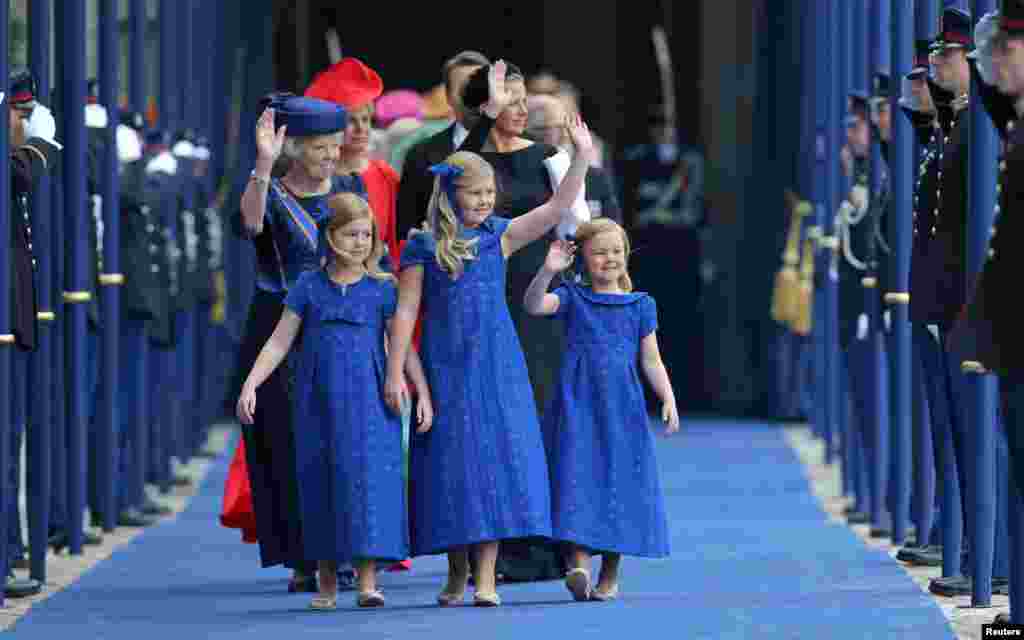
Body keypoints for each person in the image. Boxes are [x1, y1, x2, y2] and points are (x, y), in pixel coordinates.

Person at [384, 109, 597, 607]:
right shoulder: (423, 245)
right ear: (450, 195)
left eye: (488, 194)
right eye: (474, 193)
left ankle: (486, 576)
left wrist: (581, 159)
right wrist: (396, 372)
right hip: (445, 366)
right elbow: (405, 310)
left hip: (496, 364)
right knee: (451, 467)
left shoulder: (497, 235)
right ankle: (457, 571)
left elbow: (556, 208)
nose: (483, 202)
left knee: (495, 463)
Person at [237, 193, 432, 609]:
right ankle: (326, 583)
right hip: (316, 400)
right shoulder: (308, 285)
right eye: (352, 233)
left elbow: (403, 346)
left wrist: (422, 392)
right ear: (330, 236)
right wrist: (251, 383)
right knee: (320, 481)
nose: (361, 242)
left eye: (367, 234)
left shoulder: (383, 287)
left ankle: (367, 582)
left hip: (371, 401)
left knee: (370, 485)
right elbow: (278, 342)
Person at [230, 94, 354, 593]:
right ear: (295, 147)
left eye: (334, 146)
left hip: (340, 329)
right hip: (280, 328)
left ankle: (344, 548)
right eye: (320, 147)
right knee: (289, 445)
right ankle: (304, 555)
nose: (330, 155)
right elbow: (250, 224)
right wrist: (262, 161)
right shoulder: (273, 192)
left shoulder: (351, 187)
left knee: (342, 443)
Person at [523, 218, 677, 602]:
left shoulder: (640, 305)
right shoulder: (573, 297)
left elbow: (652, 361)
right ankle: (578, 565)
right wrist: (548, 270)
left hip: (622, 408)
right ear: (583, 260)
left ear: (626, 256)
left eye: (616, 252)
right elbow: (533, 305)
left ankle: (610, 571)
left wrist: (668, 397)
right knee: (576, 478)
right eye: (599, 253)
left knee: (617, 484)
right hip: (576, 405)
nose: (609, 259)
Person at [395, 50, 491, 241]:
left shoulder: (521, 147)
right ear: (447, 97)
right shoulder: (420, 155)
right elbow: (406, 228)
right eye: (464, 88)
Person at [526, 93, 621, 224]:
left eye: (559, 128)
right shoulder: (508, 179)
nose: (551, 135)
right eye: (541, 129)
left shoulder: (594, 177)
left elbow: (613, 230)